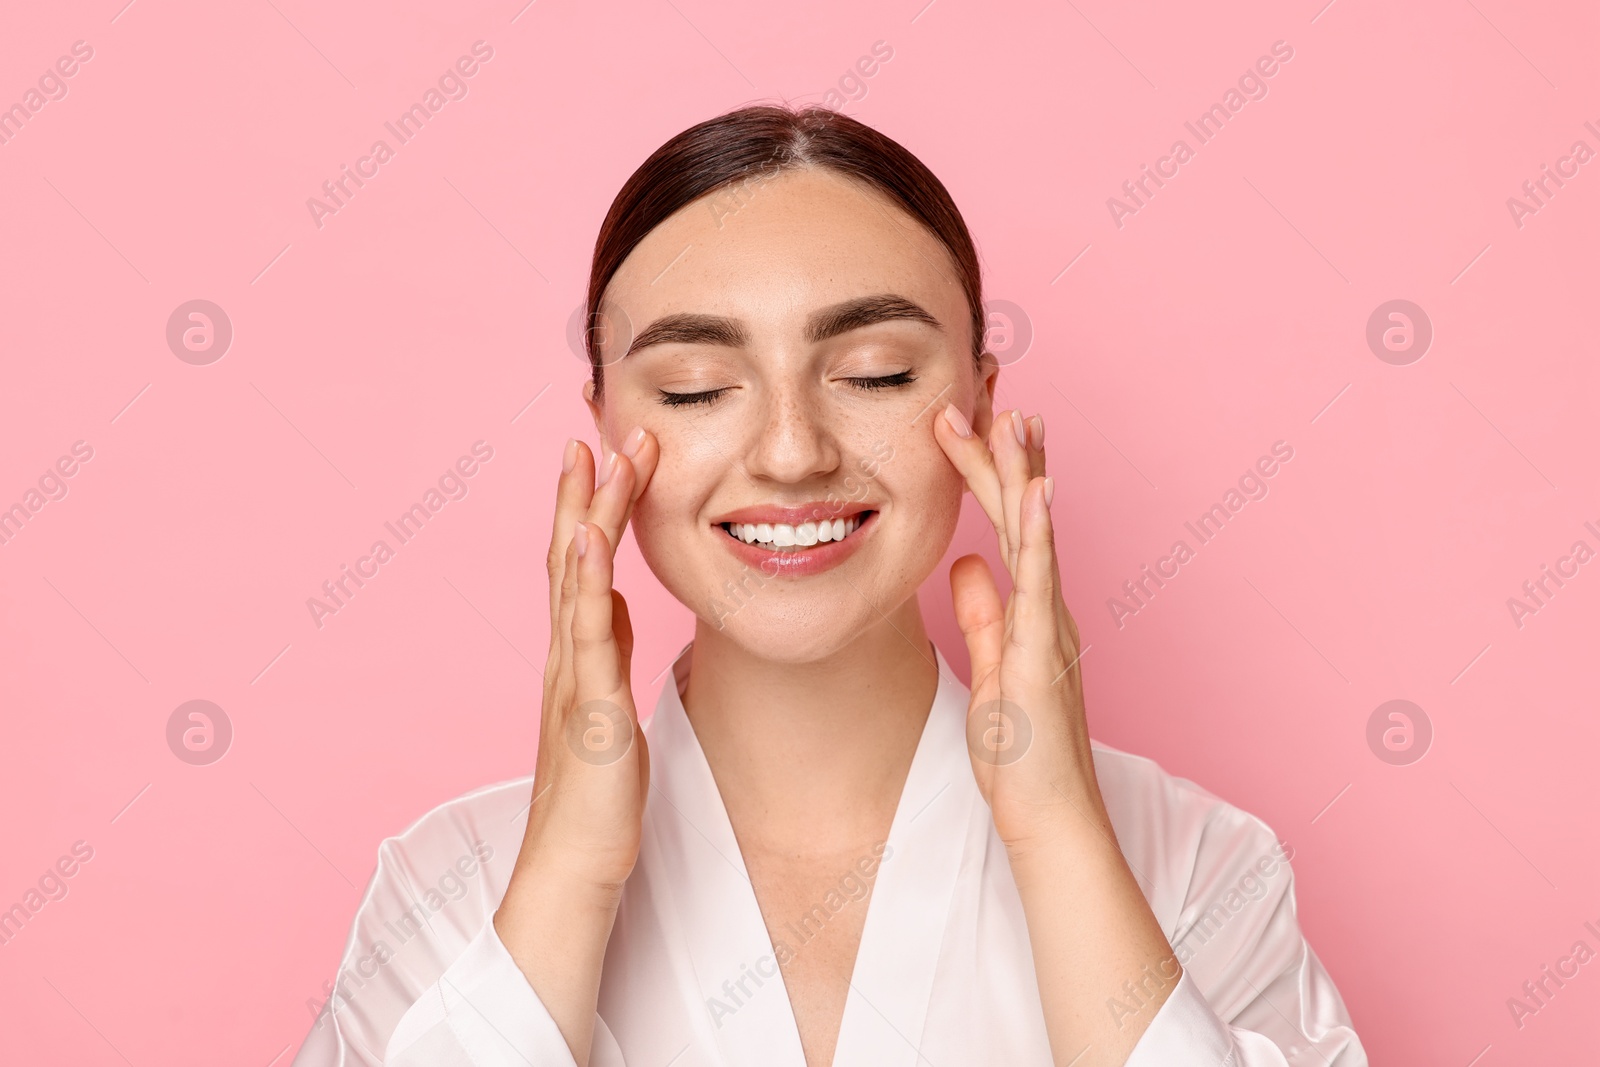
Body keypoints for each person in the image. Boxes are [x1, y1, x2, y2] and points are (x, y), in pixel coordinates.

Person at [290, 104, 1365, 1067]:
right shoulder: (452, 885)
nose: (793, 450)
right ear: (608, 426)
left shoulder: (1195, 865)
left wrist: (1057, 835)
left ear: (982, 404)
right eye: (696, 386)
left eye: (874, 375)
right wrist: (568, 875)